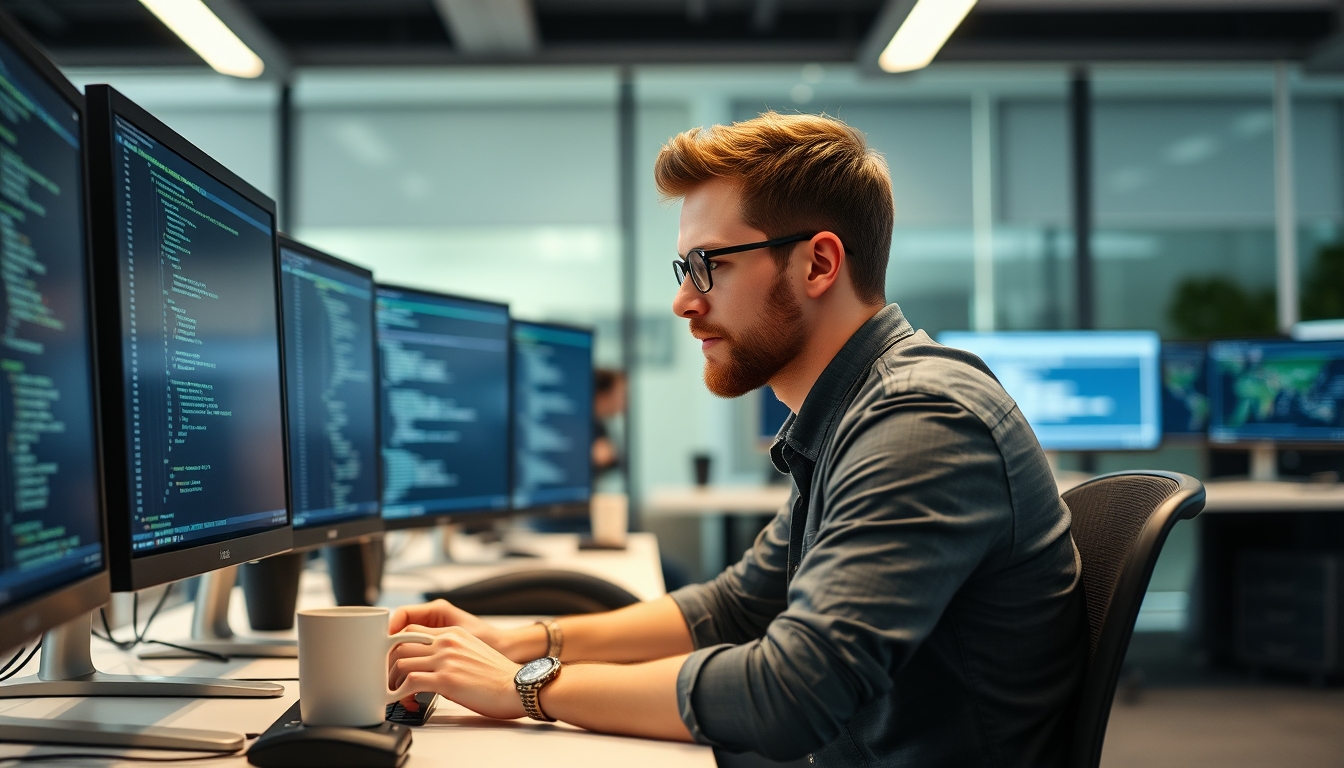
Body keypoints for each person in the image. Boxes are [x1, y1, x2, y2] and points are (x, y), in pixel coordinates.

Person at [386, 112, 1085, 766]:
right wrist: (518, 640)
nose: (684, 300)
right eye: (683, 269)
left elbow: (792, 690)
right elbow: (737, 605)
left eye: (709, 265)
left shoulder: (920, 423)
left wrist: (529, 686)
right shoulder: (854, 416)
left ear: (818, 264)